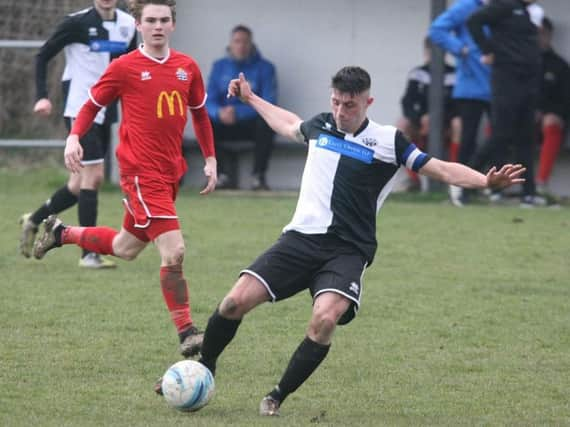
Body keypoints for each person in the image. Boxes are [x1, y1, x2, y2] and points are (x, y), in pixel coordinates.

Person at [155, 67, 525, 416]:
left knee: (324, 320)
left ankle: (276, 396)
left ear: (368, 103)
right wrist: (251, 98)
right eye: (336, 101)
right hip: (299, 240)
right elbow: (287, 123)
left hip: (348, 251)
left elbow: (441, 168)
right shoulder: (320, 126)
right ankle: (205, 368)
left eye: (349, 104)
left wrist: (484, 181)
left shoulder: (388, 141)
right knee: (234, 301)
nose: (341, 110)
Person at [32, 0, 217, 358]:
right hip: (139, 172)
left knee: (125, 248)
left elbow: (200, 115)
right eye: (151, 20)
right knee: (174, 250)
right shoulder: (125, 66)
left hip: (168, 174)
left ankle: (62, 233)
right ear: (138, 24)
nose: (158, 26)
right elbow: (91, 104)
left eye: (164, 20)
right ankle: (187, 332)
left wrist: (210, 158)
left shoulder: (187, 67)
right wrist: (73, 137)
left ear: (173, 25)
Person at [19, 0, 137, 268]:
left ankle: (34, 220)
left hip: (108, 110)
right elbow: (42, 55)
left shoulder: (129, 25)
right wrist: (42, 97)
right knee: (93, 177)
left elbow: (132, 67)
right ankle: (89, 254)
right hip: (80, 109)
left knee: (77, 185)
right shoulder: (76, 22)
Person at [467, 0, 544, 207]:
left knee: (526, 138)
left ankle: (529, 194)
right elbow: (474, 21)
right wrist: (487, 50)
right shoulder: (505, 6)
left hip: (528, 82)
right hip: (506, 80)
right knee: (501, 135)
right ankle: (463, 184)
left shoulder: (527, 12)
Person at [429, 0, 492, 206]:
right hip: (471, 83)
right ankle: (462, 187)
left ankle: (481, 184)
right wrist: (461, 49)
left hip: (497, 83)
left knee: (501, 136)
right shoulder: (466, 6)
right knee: (468, 139)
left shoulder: (502, 6)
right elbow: (437, 29)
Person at [206, 25, 277, 190]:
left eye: (245, 42)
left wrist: (238, 112)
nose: (241, 46)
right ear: (230, 44)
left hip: (251, 123)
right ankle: (220, 175)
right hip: (224, 122)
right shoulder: (219, 66)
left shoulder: (265, 68)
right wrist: (219, 112)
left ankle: (258, 177)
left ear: (251, 44)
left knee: (267, 122)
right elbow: (208, 100)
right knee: (205, 123)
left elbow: (269, 102)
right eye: (237, 41)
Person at [396, 37, 461, 193]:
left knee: (458, 124)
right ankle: (414, 181)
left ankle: (454, 178)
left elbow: (458, 105)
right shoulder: (417, 73)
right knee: (401, 126)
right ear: (426, 51)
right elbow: (407, 102)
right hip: (421, 123)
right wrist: (419, 119)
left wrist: (438, 119)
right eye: (430, 51)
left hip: (446, 123)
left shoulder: (454, 74)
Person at [535, 17, 570, 192]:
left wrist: (543, 111)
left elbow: (564, 101)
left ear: (549, 35)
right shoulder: (518, 62)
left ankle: (541, 183)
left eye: (541, 34)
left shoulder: (560, 66)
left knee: (551, 122)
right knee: (497, 121)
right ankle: (494, 185)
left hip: (546, 122)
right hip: (520, 118)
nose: (538, 38)